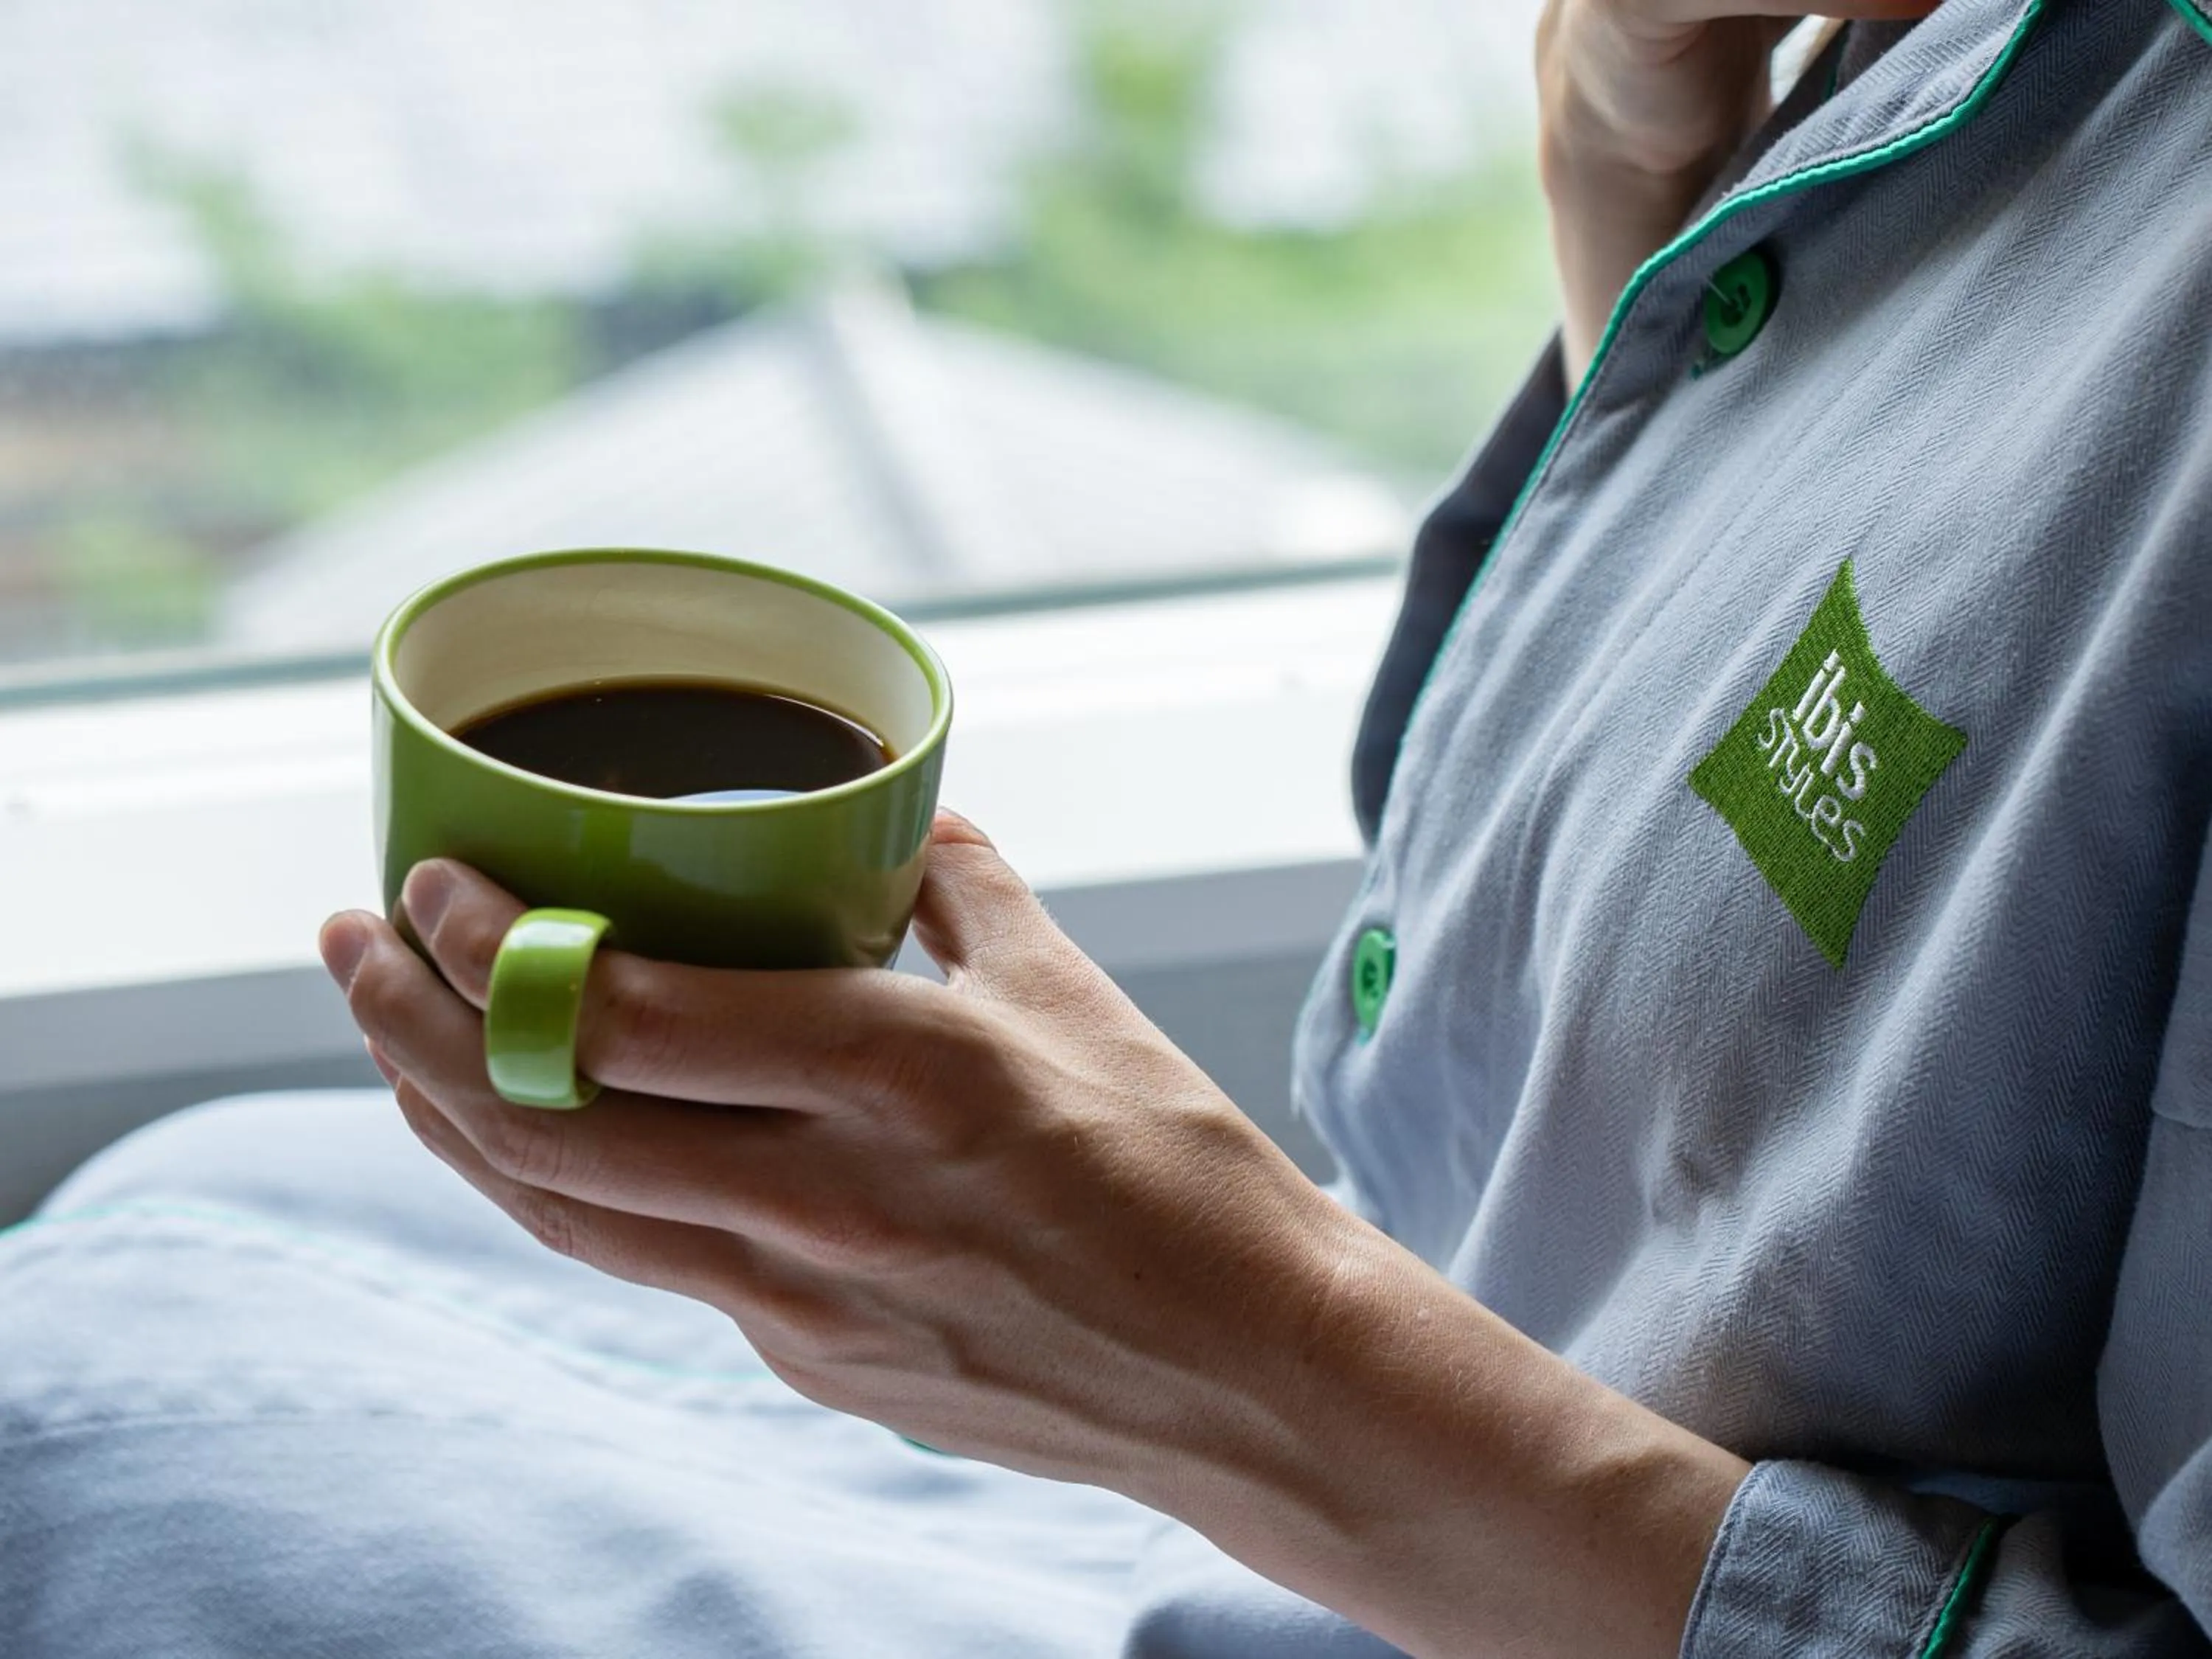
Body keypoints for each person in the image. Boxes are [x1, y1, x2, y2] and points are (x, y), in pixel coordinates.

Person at [4, 0, 2208, 1652]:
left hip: (1439, 1544)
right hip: (1359, 1451)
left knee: (77, 1466)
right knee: (158, 1226)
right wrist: (1646, 181)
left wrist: (1245, 1366)